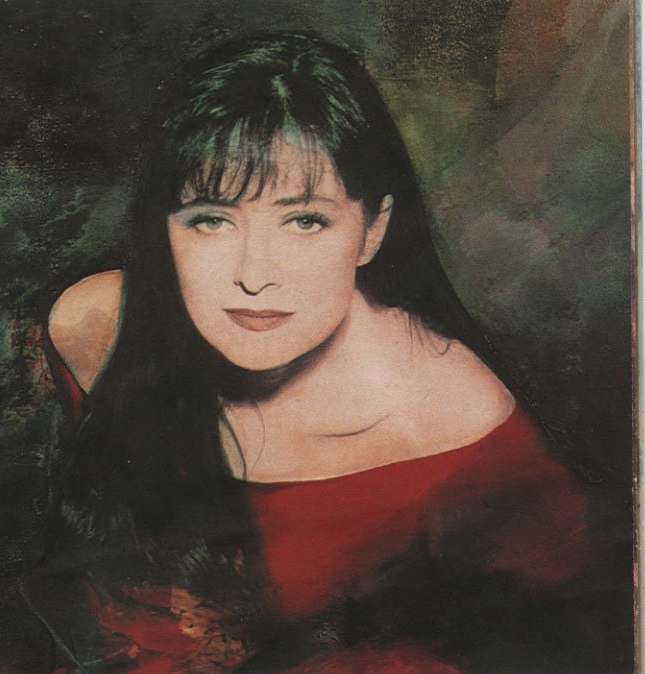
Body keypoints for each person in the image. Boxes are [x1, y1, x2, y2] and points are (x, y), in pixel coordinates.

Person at [34, 32, 598, 673]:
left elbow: (574, 630)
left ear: (372, 231)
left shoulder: (454, 412)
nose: (254, 275)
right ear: (163, 230)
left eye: (305, 221)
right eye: (211, 219)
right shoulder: (95, 326)